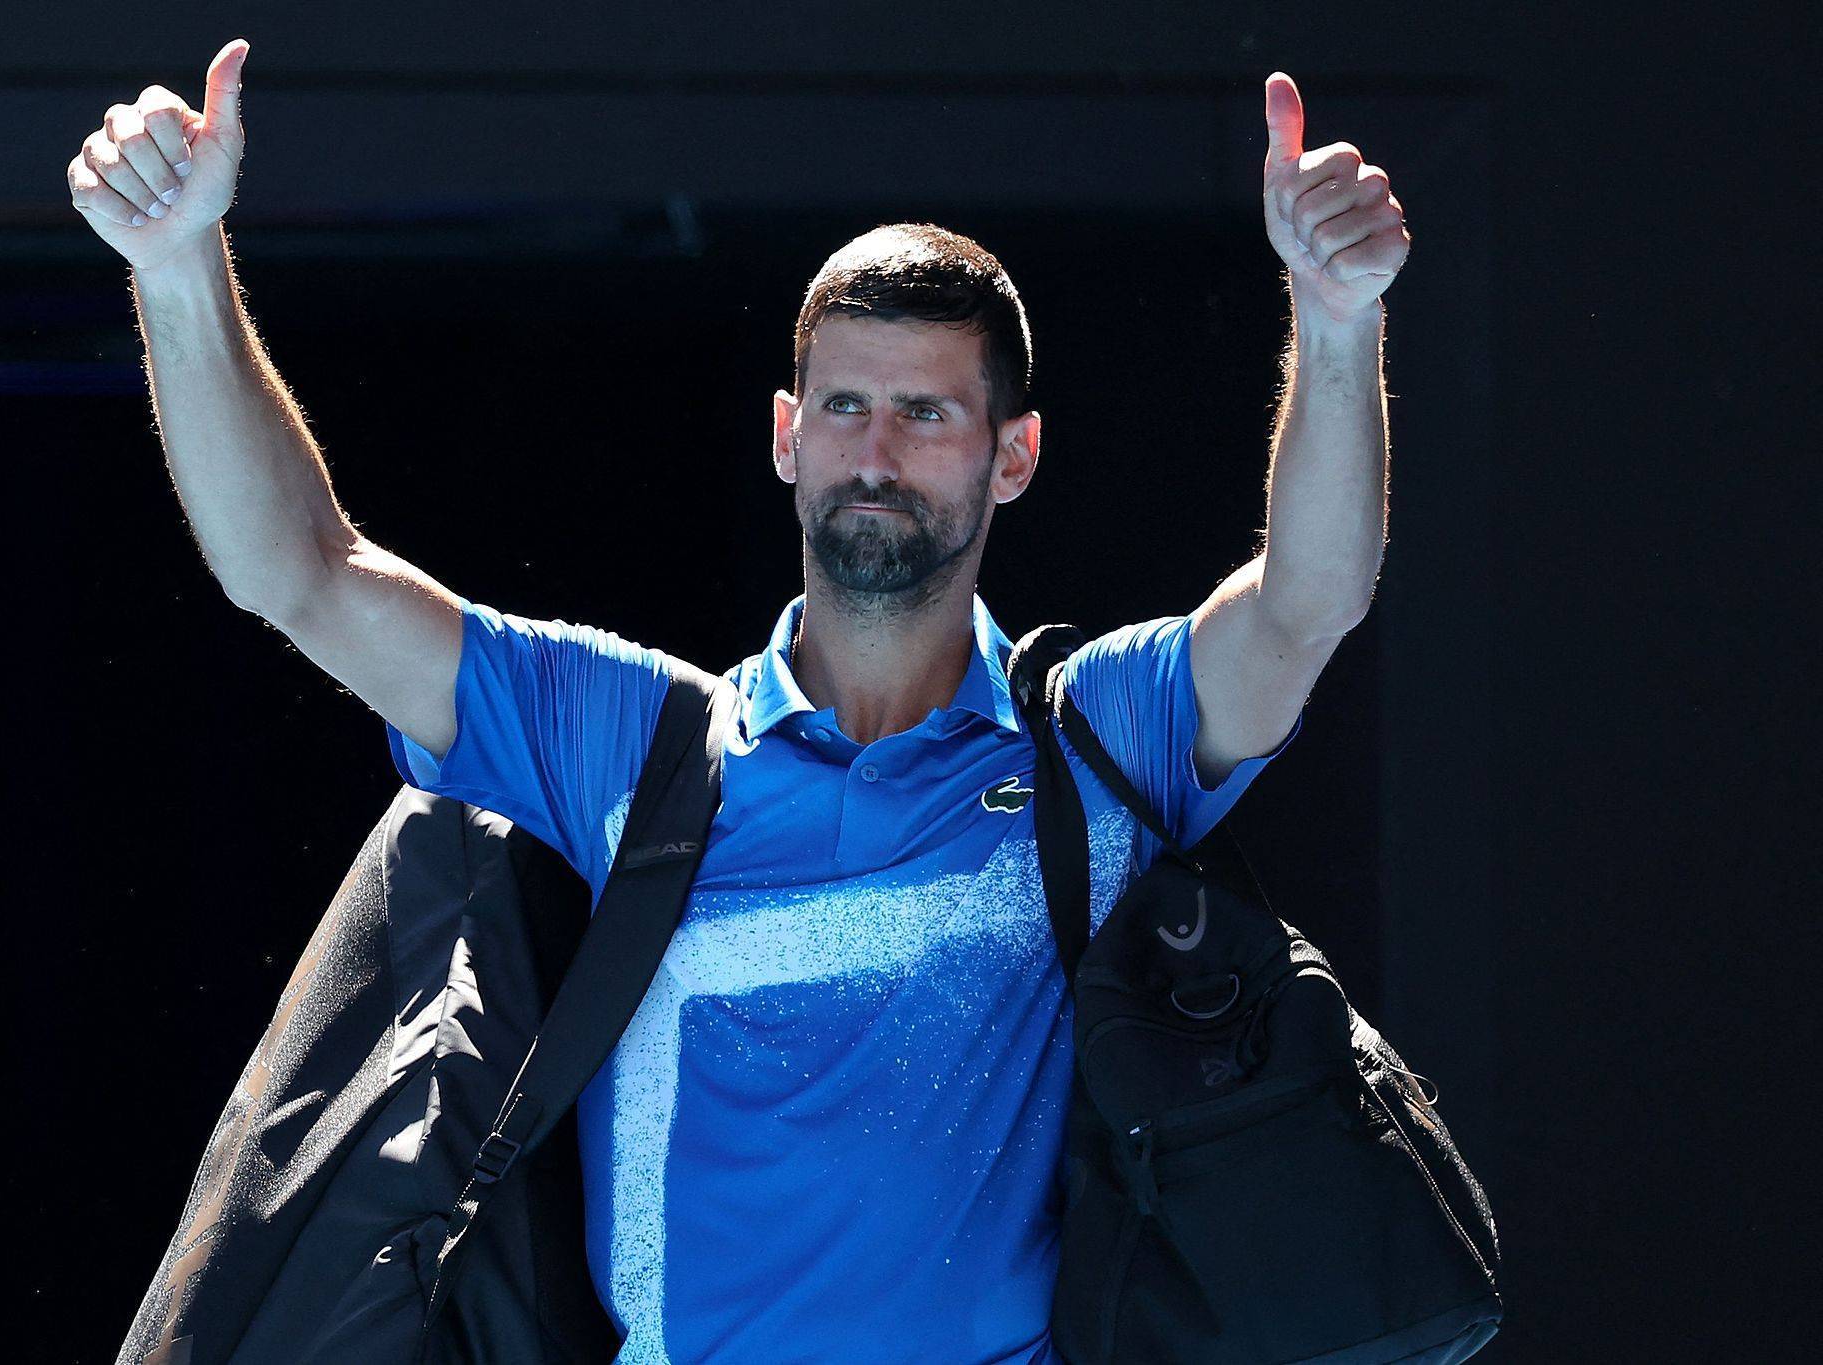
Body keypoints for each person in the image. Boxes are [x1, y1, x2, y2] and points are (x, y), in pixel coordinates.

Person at [69, 36, 1410, 1365]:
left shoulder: (1095, 746)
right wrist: (178, 262)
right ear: (786, 434)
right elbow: (299, 573)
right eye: (844, 405)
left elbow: (1308, 601)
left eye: (926, 415)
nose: (873, 453)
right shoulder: (635, 747)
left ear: (1015, 456)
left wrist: (1339, 316)